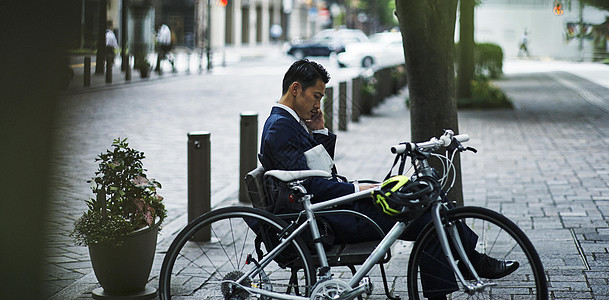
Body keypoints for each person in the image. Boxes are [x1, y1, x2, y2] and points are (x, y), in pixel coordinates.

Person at [259, 59, 519, 300]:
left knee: (424, 200)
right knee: (426, 215)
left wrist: (320, 132)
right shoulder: (281, 127)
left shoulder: (288, 122)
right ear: (296, 89)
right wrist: (359, 189)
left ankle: (466, 265)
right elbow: (309, 187)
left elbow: (318, 171)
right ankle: (466, 268)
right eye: (316, 97)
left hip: (332, 210)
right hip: (330, 219)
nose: (318, 105)